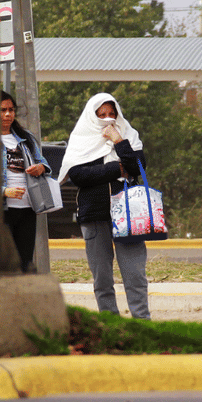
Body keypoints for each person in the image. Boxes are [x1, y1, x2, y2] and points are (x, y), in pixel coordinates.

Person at [60, 93, 150, 319]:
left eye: (112, 114)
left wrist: (119, 141)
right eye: (101, 115)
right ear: (92, 117)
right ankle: (110, 322)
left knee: (135, 274)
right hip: (94, 214)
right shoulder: (82, 139)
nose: (108, 119)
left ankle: (142, 322)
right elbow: (79, 175)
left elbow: (137, 167)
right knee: (102, 278)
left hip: (129, 213)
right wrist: (116, 169)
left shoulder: (128, 135)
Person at [0, 90, 51, 273]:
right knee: (5, 262)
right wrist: (4, 191)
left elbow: (44, 163)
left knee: (25, 261)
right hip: (2, 210)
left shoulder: (25, 137)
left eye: (11, 110)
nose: (8, 114)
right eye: (2, 110)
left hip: (28, 207)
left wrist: (40, 168)